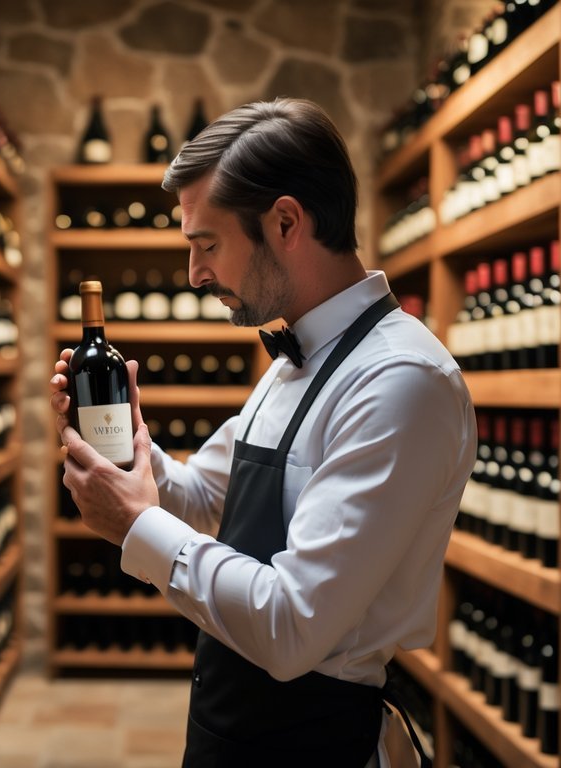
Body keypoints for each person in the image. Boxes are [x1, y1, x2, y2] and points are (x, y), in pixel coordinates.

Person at [49, 98, 475, 768]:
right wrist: (121, 442)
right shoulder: (290, 362)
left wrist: (136, 527)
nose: (195, 276)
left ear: (284, 222)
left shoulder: (400, 382)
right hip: (230, 732)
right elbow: (199, 498)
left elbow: (292, 625)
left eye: (207, 245)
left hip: (314, 744)